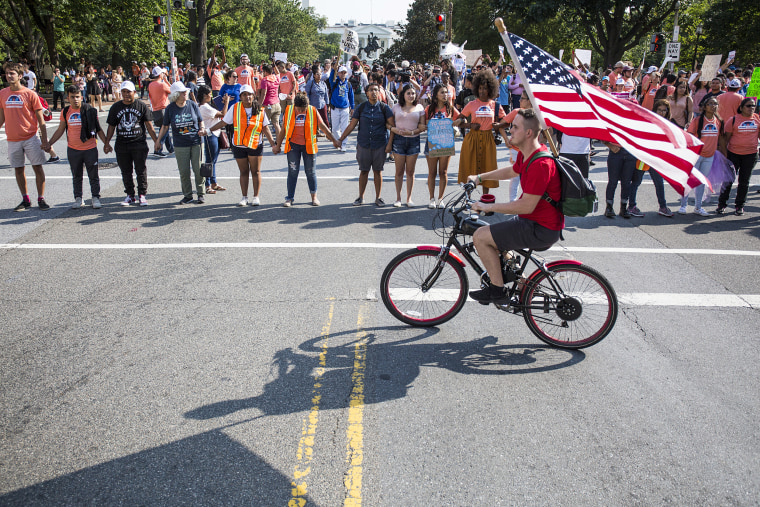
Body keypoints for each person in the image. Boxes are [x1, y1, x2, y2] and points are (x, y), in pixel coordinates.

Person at [466, 109, 563, 303]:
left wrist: (488, 207)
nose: (510, 130)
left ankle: (497, 290)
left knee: (481, 236)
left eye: (515, 127)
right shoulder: (528, 154)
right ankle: (523, 283)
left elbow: (526, 206)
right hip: (533, 221)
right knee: (494, 234)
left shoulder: (540, 163)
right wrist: (479, 178)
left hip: (540, 228)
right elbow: (512, 171)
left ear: (528, 133)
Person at [210, 84, 276, 206]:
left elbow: (265, 128)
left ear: (253, 96)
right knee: (244, 172)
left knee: (255, 171)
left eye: (249, 94)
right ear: (240, 96)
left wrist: (273, 144)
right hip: (239, 145)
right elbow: (224, 122)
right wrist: (209, 130)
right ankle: (244, 197)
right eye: (244, 95)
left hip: (255, 144)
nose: (247, 97)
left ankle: (256, 197)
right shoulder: (235, 108)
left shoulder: (260, 109)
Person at [273, 91, 340, 206]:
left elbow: (322, 126)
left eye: (302, 109)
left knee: (310, 172)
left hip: (309, 146)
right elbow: (283, 129)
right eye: (298, 109)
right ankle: (289, 198)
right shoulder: (289, 110)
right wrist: (277, 146)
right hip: (293, 145)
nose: (300, 111)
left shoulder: (312, 110)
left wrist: (334, 140)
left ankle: (314, 197)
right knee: (293, 172)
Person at [0, 62, 52, 211]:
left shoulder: (30, 94)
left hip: (30, 137)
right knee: (18, 169)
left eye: (12, 73)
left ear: (20, 76)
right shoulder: (2, 93)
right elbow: (1, 118)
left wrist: (44, 141)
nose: (9, 76)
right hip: (12, 139)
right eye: (7, 73)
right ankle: (25, 199)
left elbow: (41, 120)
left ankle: (41, 199)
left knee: (37, 167)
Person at [47, 85, 108, 209]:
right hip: (73, 149)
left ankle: (95, 197)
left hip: (90, 148)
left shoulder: (90, 110)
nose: (75, 99)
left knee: (93, 175)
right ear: (68, 98)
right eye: (72, 97)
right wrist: (50, 143)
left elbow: (98, 129)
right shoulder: (65, 112)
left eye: (77, 97)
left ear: (81, 97)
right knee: (76, 175)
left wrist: (106, 143)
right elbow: (60, 129)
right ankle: (78, 198)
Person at [338, 83, 395, 206]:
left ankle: (378, 197)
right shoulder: (361, 107)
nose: (374, 92)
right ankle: (361, 197)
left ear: (379, 92)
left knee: (378, 171)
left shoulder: (385, 108)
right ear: (367, 93)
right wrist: (341, 139)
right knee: (364, 171)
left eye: (376, 90)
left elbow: (393, 128)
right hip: (364, 144)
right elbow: (351, 125)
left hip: (380, 144)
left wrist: (390, 146)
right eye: (371, 90)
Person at [103, 80, 159, 207]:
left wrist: (156, 141)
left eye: (128, 91)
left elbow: (149, 126)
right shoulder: (116, 107)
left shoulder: (141, 106)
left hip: (138, 143)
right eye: (123, 92)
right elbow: (111, 127)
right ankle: (130, 195)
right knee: (126, 171)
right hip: (122, 144)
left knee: (141, 170)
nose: (126, 94)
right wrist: (107, 143)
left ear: (134, 92)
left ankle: (142, 195)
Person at [156, 81, 208, 204]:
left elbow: (200, 120)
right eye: (182, 92)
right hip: (180, 144)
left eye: (185, 91)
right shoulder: (170, 108)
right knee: (184, 172)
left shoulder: (192, 104)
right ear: (175, 95)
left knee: (198, 169)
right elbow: (165, 126)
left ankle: (201, 193)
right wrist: (158, 141)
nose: (185, 93)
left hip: (196, 142)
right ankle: (188, 195)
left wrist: (202, 128)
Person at [457, 70, 508, 192]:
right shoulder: (471, 104)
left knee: (487, 170)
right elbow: (458, 121)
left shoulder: (495, 105)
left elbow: (507, 122)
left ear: (490, 89)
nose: (482, 91)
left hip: (488, 139)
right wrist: (469, 125)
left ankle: (485, 200)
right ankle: (467, 199)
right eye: (479, 88)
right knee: (469, 169)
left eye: (485, 88)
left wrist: (498, 125)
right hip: (472, 139)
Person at [679, 97, 723, 216]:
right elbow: (689, 137)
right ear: (704, 106)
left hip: (709, 156)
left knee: (701, 182)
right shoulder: (697, 120)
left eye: (715, 104)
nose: (713, 106)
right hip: (696, 156)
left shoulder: (718, 121)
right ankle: (683, 205)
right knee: (689, 180)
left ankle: (698, 207)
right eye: (710, 104)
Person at [717, 97, 760, 216]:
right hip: (733, 154)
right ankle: (722, 204)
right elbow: (726, 139)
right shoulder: (734, 119)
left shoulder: (757, 119)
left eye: (753, 106)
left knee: (744, 182)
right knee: (728, 180)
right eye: (748, 106)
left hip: (750, 155)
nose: (751, 108)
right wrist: (724, 155)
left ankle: (739, 206)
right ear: (741, 108)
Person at [424, 84, 462, 208]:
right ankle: (431, 198)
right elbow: (423, 123)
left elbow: (462, 118)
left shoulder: (451, 108)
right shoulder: (429, 109)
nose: (445, 95)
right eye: (442, 92)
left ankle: (441, 199)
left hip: (446, 143)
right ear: (436, 95)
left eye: (446, 92)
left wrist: (459, 122)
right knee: (432, 172)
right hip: (432, 142)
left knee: (443, 172)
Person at [388, 84, 426, 207]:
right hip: (398, 140)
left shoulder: (419, 107)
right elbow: (388, 124)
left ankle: (409, 198)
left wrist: (411, 132)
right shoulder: (395, 107)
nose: (411, 96)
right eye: (408, 93)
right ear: (403, 95)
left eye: (413, 93)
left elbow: (422, 127)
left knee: (410, 172)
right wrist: (393, 129)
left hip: (413, 141)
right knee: (399, 171)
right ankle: (398, 198)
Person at [197, 85, 226, 194]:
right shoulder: (204, 107)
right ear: (204, 95)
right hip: (210, 135)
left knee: (213, 161)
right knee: (209, 162)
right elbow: (223, 114)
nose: (211, 96)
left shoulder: (206, 106)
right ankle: (207, 184)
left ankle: (213, 183)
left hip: (215, 134)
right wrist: (226, 102)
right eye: (209, 94)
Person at [328, 65, 354, 151]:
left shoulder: (348, 84)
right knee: (335, 128)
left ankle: (343, 144)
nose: (343, 74)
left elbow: (351, 96)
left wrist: (352, 107)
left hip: (345, 108)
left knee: (344, 127)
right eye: (341, 72)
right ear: (338, 73)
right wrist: (333, 70)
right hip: (335, 108)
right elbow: (331, 78)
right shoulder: (335, 83)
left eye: (344, 73)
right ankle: (338, 141)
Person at [148, 68, 173, 156]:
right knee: (165, 129)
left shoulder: (150, 85)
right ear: (160, 75)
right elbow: (173, 90)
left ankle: (171, 148)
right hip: (164, 108)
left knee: (163, 128)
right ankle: (158, 148)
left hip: (155, 109)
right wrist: (166, 81)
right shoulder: (162, 85)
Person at [257, 64, 282, 138]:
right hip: (277, 104)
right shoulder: (276, 78)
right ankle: (279, 141)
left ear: (265, 71)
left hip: (268, 104)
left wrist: (259, 104)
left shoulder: (264, 80)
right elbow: (278, 73)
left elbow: (264, 93)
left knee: (263, 124)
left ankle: (260, 141)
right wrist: (274, 65)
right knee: (276, 124)